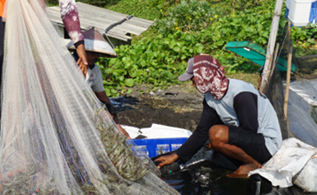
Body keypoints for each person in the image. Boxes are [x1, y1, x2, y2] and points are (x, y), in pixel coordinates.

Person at [154, 55, 282, 178]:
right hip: (247, 140)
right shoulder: (211, 97)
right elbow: (202, 131)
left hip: (265, 144)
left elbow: (250, 129)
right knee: (212, 137)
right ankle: (244, 160)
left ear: (205, 77)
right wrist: (177, 156)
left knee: (216, 134)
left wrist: (219, 141)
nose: (193, 85)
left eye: (194, 81)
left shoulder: (241, 94)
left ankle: (251, 164)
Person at [67, 28, 129, 138]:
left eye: (98, 54)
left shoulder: (94, 70)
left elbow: (102, 97)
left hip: (82, 108)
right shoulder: (67, 66)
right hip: (65, 108)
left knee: (104, 110)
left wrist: (119, 127)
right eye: (93, 53)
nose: (96, 57)